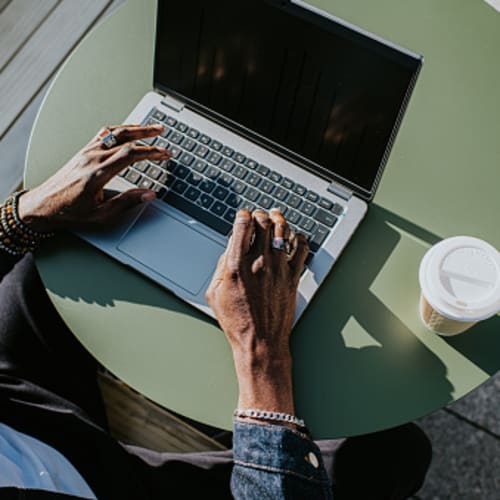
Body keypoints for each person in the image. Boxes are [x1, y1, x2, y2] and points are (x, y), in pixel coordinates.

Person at [0, 124, 432, 499]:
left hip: (17, 413)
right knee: (388, 454)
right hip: (102, 488)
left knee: (46, 263)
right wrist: (262, 357)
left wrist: (25, 215)